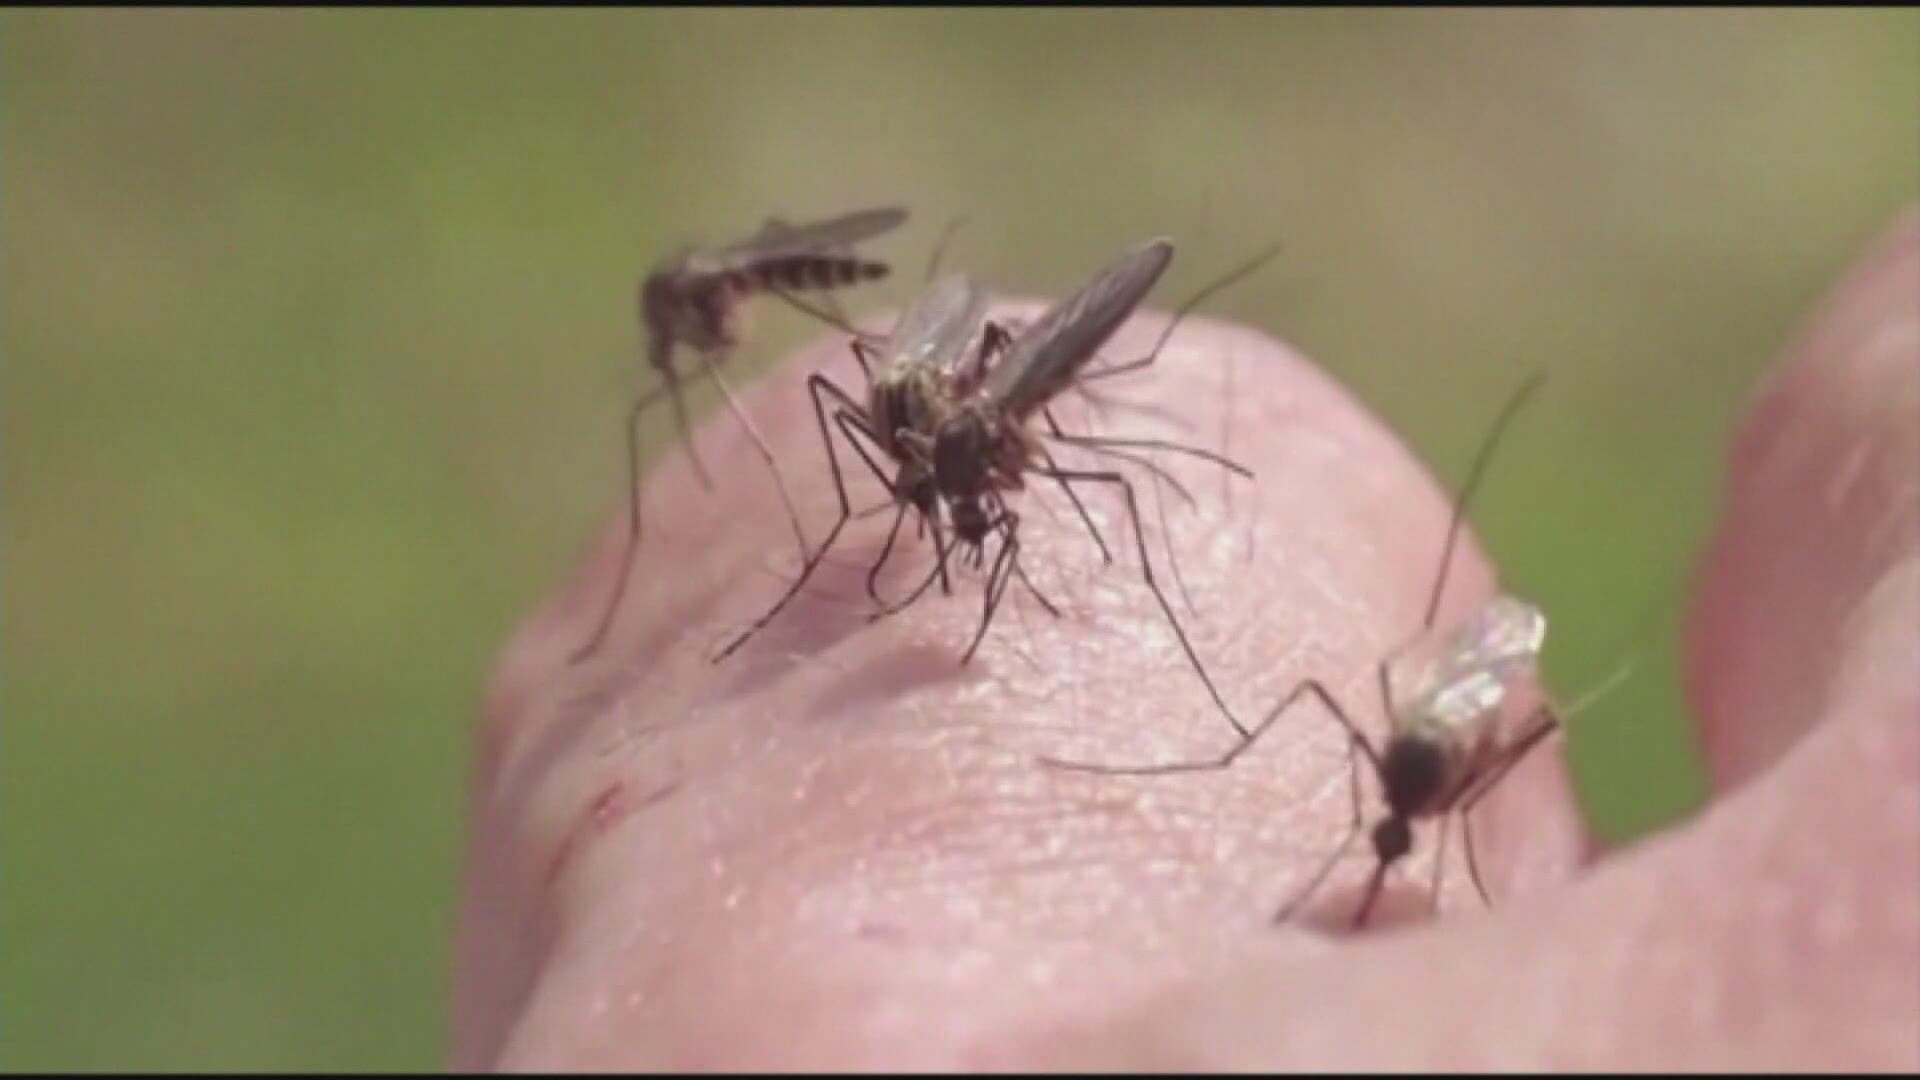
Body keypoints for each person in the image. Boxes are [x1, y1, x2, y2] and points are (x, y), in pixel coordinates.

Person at [450, 207, 1919, 1070]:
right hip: (972, 398)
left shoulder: (1005, 427)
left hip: (1017, 390)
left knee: (1104, 471)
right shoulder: (918, 428)